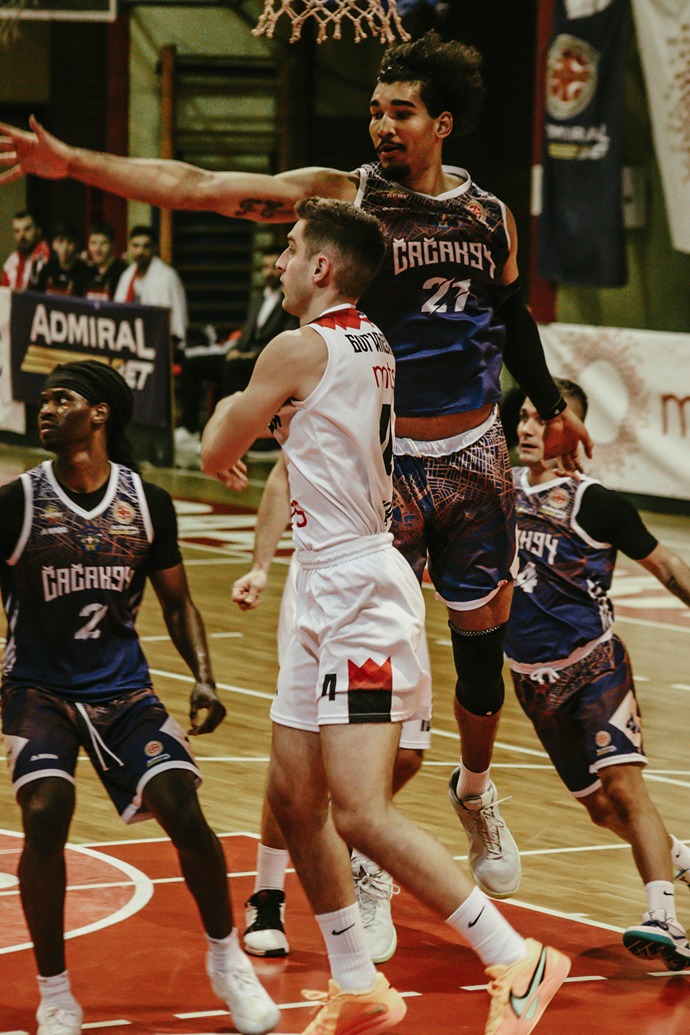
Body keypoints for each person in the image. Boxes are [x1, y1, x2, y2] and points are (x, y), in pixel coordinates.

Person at [0, 30, 593, 900]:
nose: (382, 125)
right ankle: (360, 852)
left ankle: (474, 790)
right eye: (375, 110)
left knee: (480, 656)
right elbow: (201, 185)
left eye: (401, 112)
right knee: (368, 676)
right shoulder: (346, 201)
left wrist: (547, 402)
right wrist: (77, 165)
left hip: (474, 455)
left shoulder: (492, 215)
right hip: (384, 467)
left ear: (442, 123)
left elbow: (513, 318)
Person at [201, 196, 570, 1035]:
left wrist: (244, 412)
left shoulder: (298, 346)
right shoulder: (369, 337)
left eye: (289, 248)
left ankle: (516, 957)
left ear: (322, 266)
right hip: (320, 580)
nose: (278, 262)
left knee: (360, 810)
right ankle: (357, 979)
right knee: (294, 797)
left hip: (359, 592)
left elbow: (217, 447)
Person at [0, 360, 280, 1035]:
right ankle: (56, 993)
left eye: (61, 398)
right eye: (43, 400)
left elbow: (178, 603)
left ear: (99, 414)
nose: (45, 409)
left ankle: (226, 961)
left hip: (123, 689)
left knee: (183, 806)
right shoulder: (17, 502)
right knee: (46, 811)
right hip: (38, 689)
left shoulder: (146, 502)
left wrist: (204, 675)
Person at [507, 379, 690, 972]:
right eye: (523, 416)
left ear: (573, 431)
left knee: (625, 789)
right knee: (601, 810)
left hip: (595, 667)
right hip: (530, 681)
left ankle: (664, 918)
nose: (528, 427)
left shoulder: (596, 502)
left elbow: (666, 565)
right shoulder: (498, 491)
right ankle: (680, 858)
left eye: (543, 419)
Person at [231, 453, 430, 965]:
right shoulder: (320, 407)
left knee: (407, 754)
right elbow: (279, 471)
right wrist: (260, 564)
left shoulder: (430, 416)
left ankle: (362, 850)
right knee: (300, 759)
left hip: (391, 583)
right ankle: (268, 895)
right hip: (325, 585)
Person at [113, 225, 188, 353]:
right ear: (129, 248)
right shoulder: (127, 275)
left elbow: (179, 318)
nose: (140, 252)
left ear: (154, 248)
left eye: (145, 246)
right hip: (130, 344)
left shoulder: (167, 276)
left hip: (159, 345)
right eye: (135, 246)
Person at [31, 223, 90, 296]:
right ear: (53, 244)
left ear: (76, 244)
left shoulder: (85, 272)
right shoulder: (47, 270)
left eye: (70, 242)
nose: (65, 248)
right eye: (60, 241)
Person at [1, 208, 50, 290]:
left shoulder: (48, 258)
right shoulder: (12, 261)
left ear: (38, 231)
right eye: (17, 231)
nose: (22, 236)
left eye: (27, 229)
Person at [82, 221, 128, 301]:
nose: (97, 249)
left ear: (112, 245)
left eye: (103, 243)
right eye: (93, 243)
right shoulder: (86, 272)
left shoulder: (124, 273)